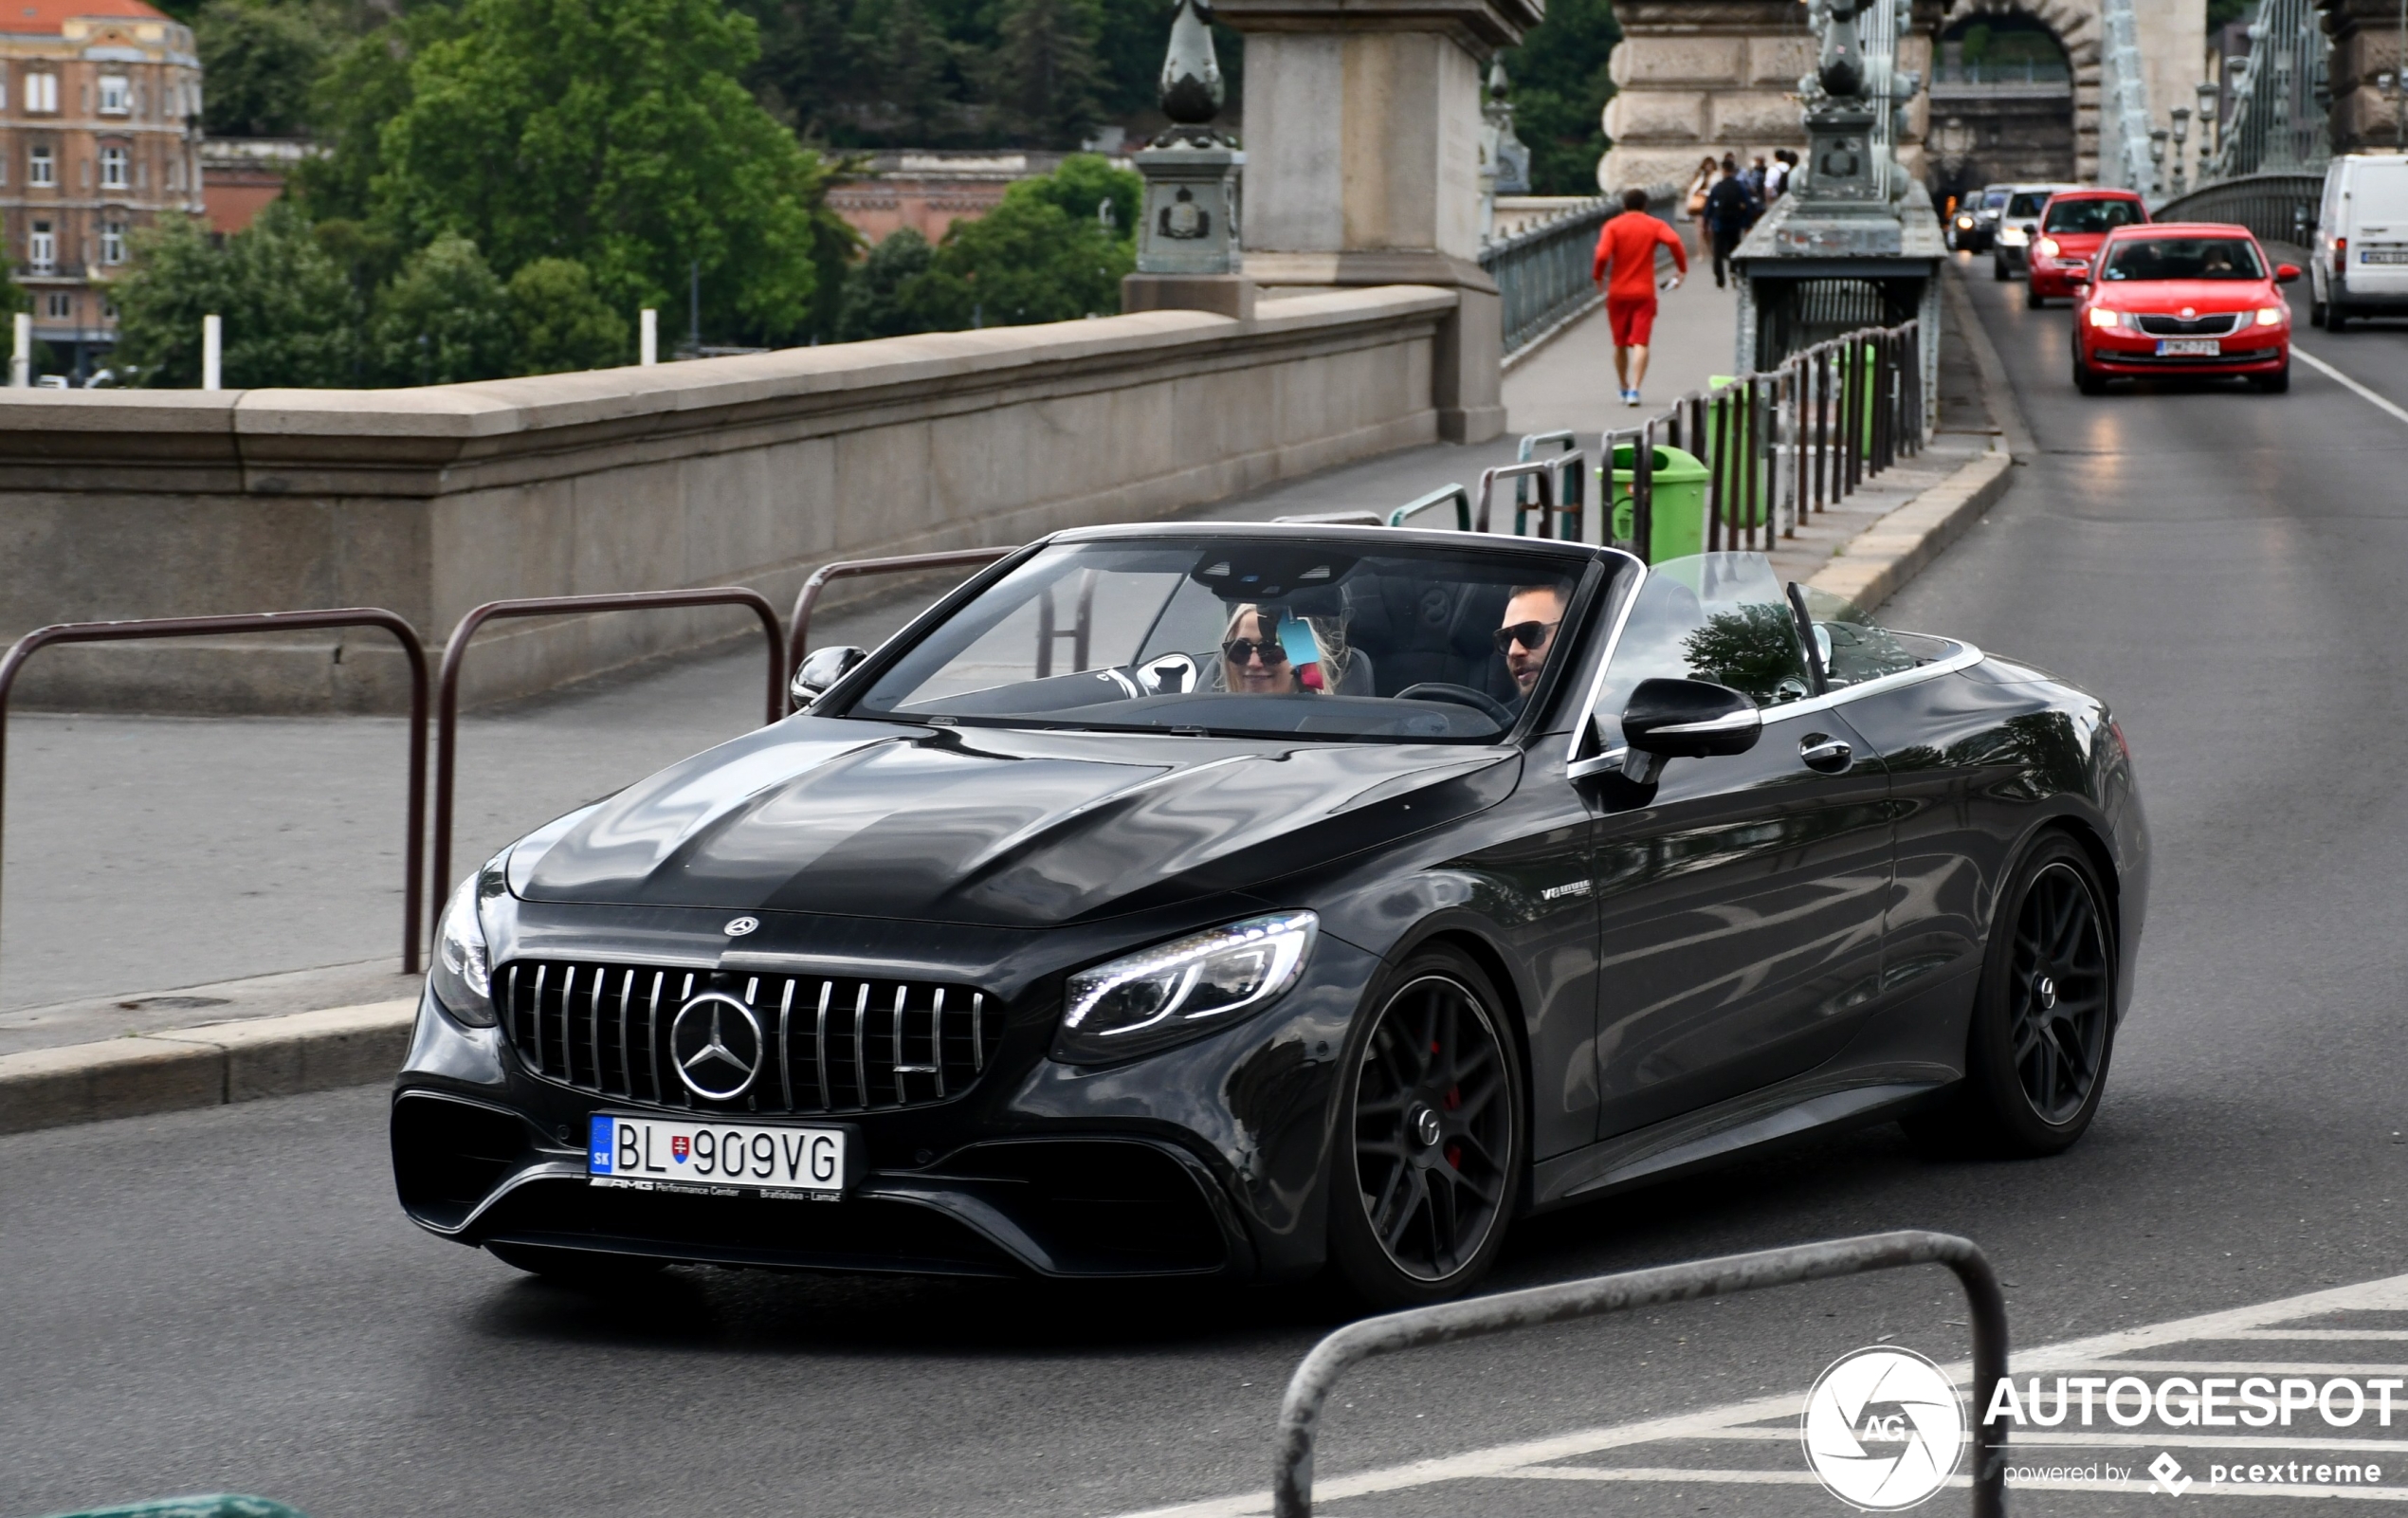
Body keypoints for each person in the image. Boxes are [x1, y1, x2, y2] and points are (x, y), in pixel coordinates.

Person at [1591, 186, 1687, 407]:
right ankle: (1635, 389)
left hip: (1618, 292)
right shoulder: (1654, 225)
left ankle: (1623, 385)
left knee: (1620, 343)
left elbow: (1602, 253)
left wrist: (1598, 276)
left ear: (1624, 205)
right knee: (1641, 342)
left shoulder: (1613, 226)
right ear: (1645, 206)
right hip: (1644, 292)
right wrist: (1681, 269)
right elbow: (1674, 241)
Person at [1495, 584, 1566, 701]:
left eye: (1531, 633)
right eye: (1505, 638)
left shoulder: (1602, 714)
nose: (1513, 651)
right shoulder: (1499, 717)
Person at [1705, 154, 1758, 288]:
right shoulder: (1739, 186)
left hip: (1719, 225)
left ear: (1723, 171)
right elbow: (1747, 204)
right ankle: (1734, 273)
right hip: (1735, 224)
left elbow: (1709, 206)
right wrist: (1747, 223)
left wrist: (1706, 222)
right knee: (1735, 250)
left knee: (1717, 254)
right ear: (1734, 171)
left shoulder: (1717, 187)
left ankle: (1720, 280)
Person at [1685, 155, 1719, 258]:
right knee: (1700, 229)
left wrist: (1704, 192)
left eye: (1710, 165)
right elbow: (1692, 191)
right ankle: (1700, 252)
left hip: (1710, 203)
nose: (1708, 167)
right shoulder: (1700, 176)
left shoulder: (1716, 177)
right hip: (1700, 205)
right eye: (1706, 165)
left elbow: (1715, 190)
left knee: (1709, 229)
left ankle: (1710, 249)